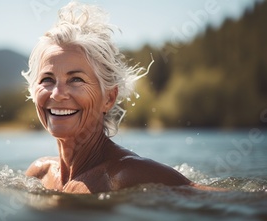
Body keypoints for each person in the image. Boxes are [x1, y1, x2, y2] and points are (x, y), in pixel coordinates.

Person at [22, 2, 217, 194]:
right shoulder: (40, 173)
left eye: (76, 79)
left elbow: (228, 200)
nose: (57, 93)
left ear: (109, 98)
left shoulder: (125, 175)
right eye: (47, 79)